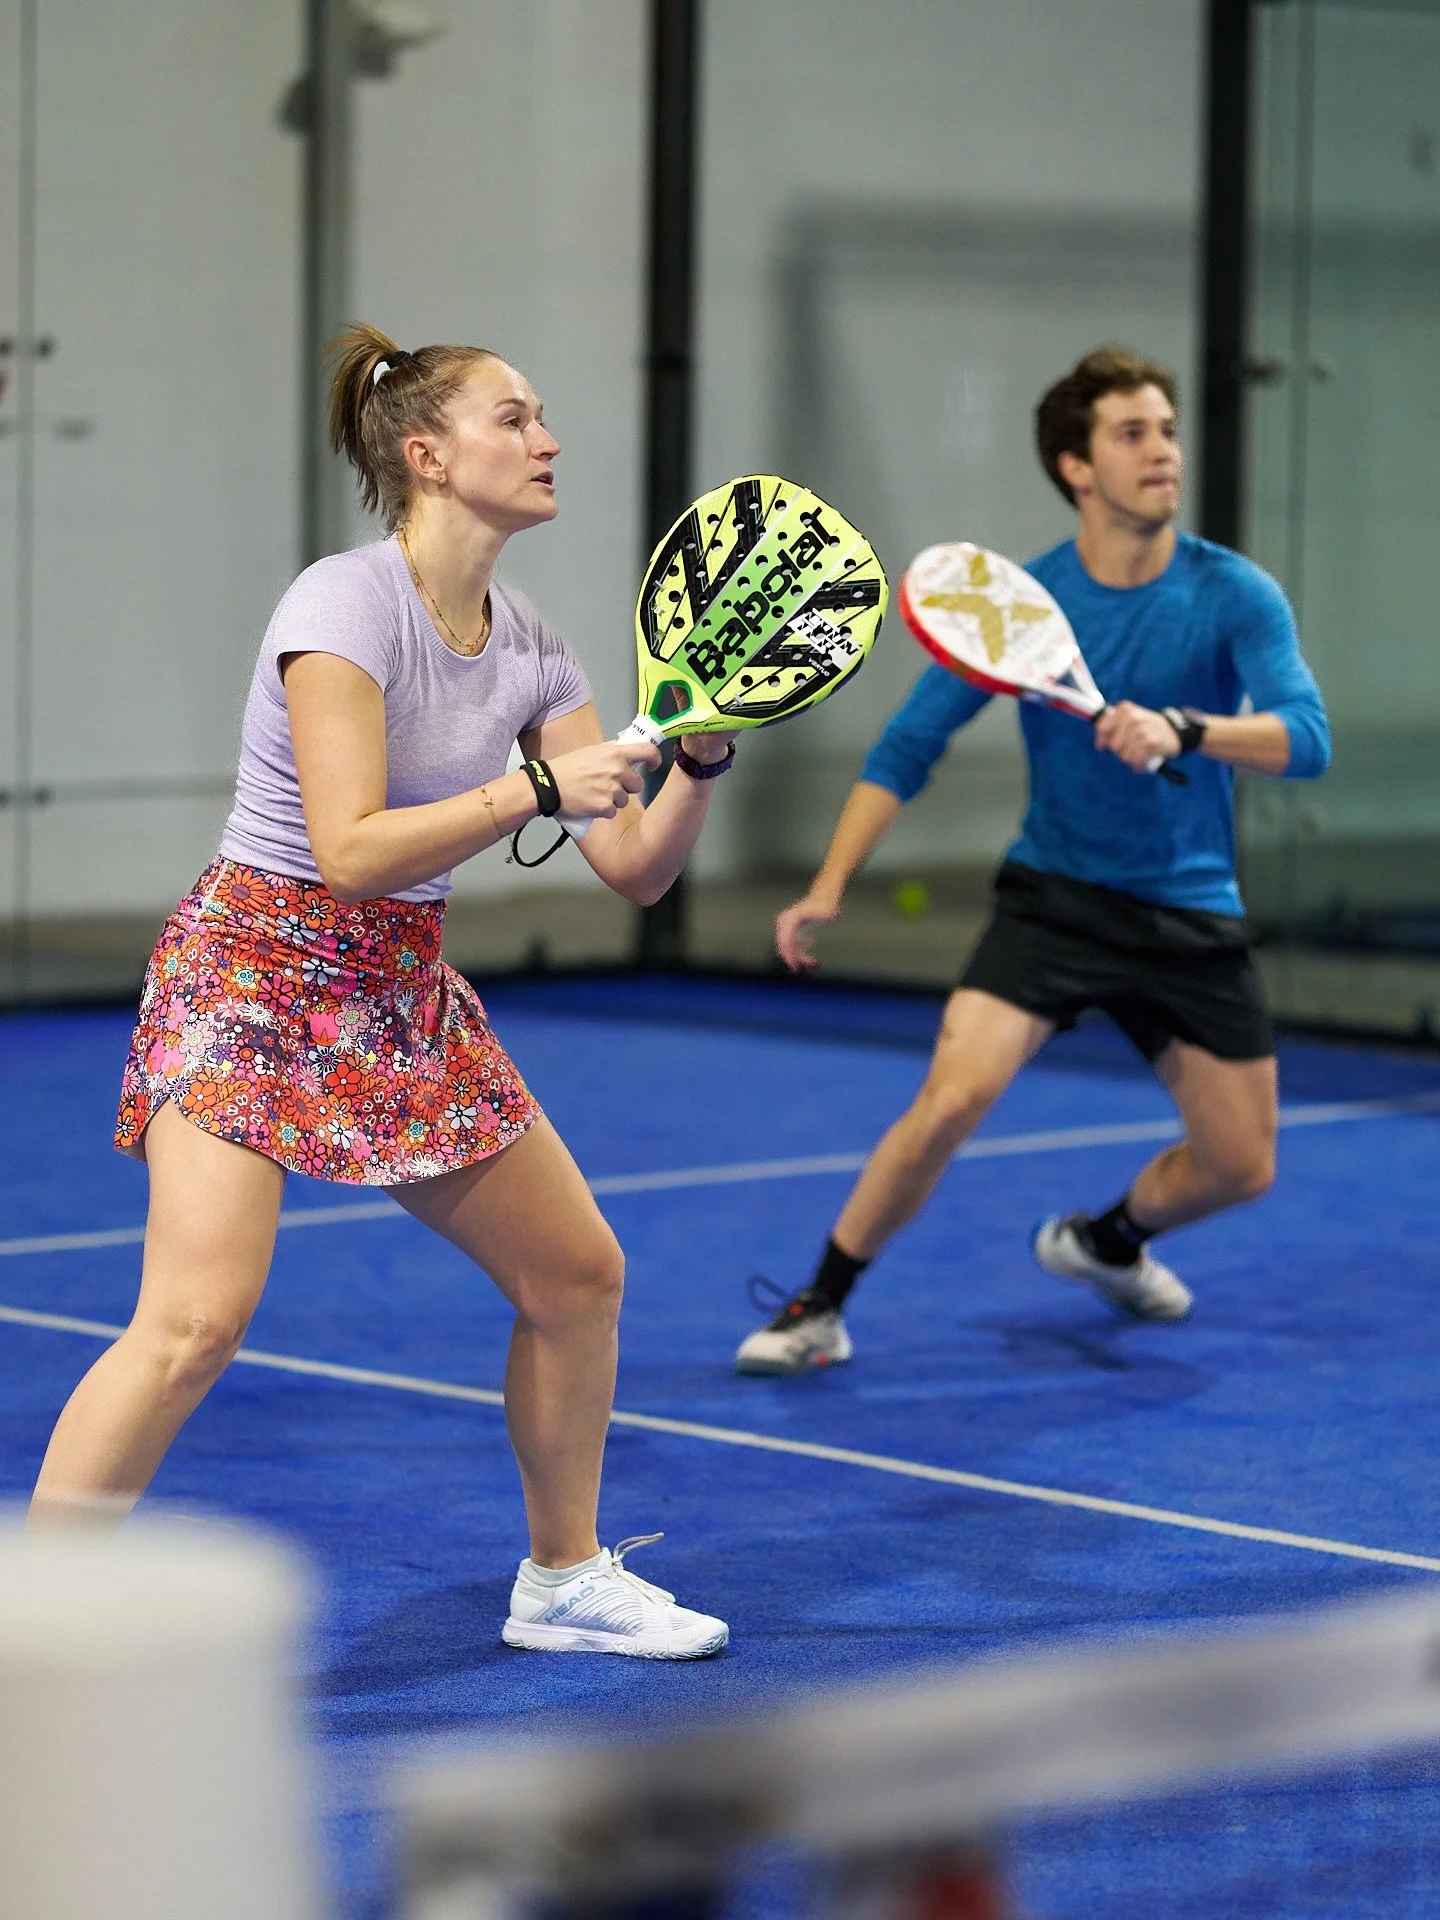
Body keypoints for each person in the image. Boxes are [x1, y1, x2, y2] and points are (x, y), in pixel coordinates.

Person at [31, 325, 732, 1658]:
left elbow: (635, 869)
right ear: (429, 455)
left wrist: (698, 761)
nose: (549, 440)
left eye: (542, 417)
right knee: (193, 1322)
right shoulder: (342, 607)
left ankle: (563, 1579)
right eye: (514, 418)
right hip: (250, 976)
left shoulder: (537, 649)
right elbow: (348, 848)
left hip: (397, 992)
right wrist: (533, 788)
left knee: (579, 1276)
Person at [735, 345, 1330, 1376]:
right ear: (1076, 466)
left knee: (1241, 1166)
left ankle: (1107, 1242)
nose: (1164, 451)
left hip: (1188, 909)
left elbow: (1306, 737)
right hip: (1055, 901)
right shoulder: (1019, 608)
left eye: (1168, 430)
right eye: (1132, 434)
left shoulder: (1234, 594)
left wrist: (1187, 729)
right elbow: (906, 750)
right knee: (951, 1100)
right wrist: (828, 888)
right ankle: (818, 1303)